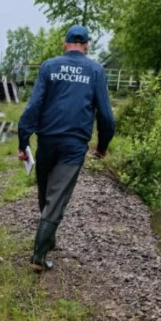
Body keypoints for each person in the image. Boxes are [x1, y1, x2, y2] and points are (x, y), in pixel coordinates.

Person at [18, 25, 116, 272]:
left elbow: (34, 105)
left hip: (47, 140)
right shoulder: (95, 70)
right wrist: (102, 146)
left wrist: (23, 140)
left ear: (65, 43)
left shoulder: (50, 66)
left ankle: (47, 240)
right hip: (73, 145)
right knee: (57, 196)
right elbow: (106, 115)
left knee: (46, 193)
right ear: (87, 45)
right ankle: (38, 257)